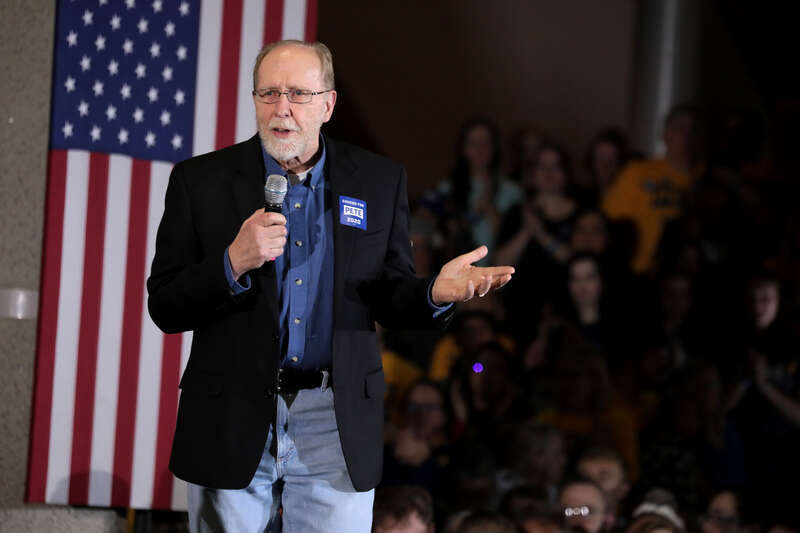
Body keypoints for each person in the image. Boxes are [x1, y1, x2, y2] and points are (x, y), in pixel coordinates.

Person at [147, 40, 514, 532]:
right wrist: (232, 263)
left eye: (298, 94)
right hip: (231, 413)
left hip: (333, 417)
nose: (282, 109)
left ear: (328, 104)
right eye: (269, 93)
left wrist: (433, 293)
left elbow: (389, 292)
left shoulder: (379, 182)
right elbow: (165, 305)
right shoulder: (201, 181)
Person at [602, 104, 703, 273]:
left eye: (693, 129)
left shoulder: (708, 178)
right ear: (664, 134)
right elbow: (612, 222)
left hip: (687, 275)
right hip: (641, 271)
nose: (686, 134)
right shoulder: (637, 171)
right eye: (680, 127)